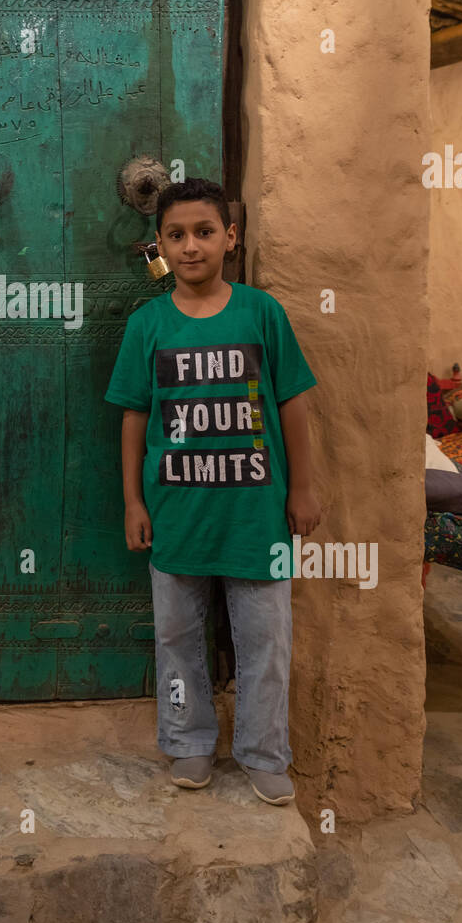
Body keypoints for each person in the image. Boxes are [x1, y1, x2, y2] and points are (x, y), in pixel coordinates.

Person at [104, 177, 321, 805]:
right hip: (177, 515)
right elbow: (133, 419)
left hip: (257, 517)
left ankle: (263, 750)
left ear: (231, 236)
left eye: (204, 232)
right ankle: (189, 739)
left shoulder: (262, 313)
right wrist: (133, 502)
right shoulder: (148, 324)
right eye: (177, 235)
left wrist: (301, 488)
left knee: (267, 641)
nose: (191, 246)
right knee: (175, 640)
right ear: (161, 247)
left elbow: (293, 404)